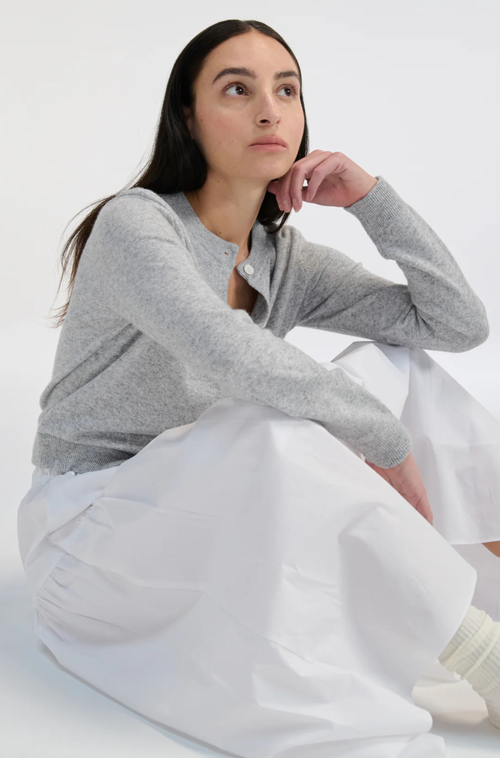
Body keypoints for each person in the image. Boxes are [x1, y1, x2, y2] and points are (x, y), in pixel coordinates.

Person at [17, 17, 500, 758]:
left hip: (209, 519)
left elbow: (456, 324)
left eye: (287, 90)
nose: (270, 111)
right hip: (91, 544)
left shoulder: (282, 258)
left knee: (401, 369)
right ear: (188, 118)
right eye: (237, 90)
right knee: (274, 424)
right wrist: (381, 439)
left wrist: (371, 198)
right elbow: (229, 353)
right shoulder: (135, 225)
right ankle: (483, 656)